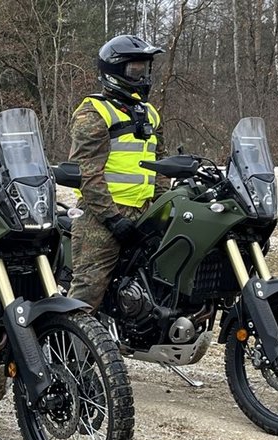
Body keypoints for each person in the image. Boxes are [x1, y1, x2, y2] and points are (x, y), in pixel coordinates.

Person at [68, 35, 168, 310]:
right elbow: (87, 172)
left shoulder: (150, 113)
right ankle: (70, 347)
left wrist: (163, 206)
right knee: (88, 291)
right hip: (101, 219)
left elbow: (160, 165)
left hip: (144, 212)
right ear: (114, 71)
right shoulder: (94, 112)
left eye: (146, 68)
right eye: (135, 69)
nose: (143, 75)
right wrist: (112, 218)